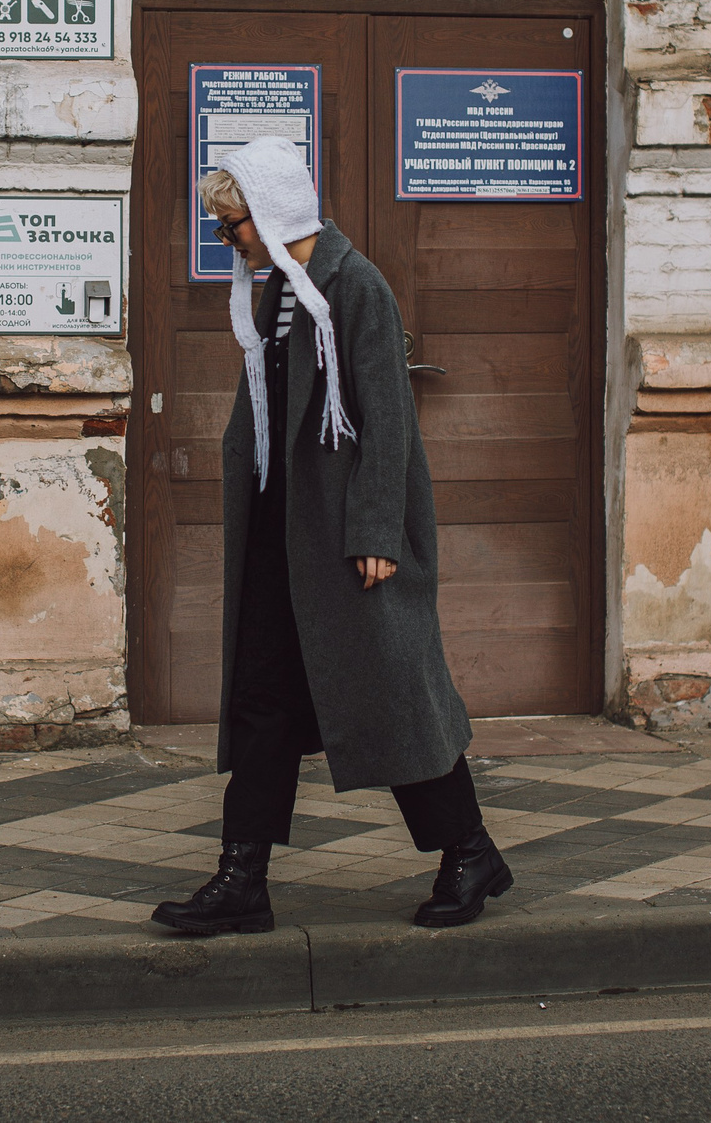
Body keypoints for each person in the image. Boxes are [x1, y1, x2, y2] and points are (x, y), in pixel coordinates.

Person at [151, 136, 512, 935]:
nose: (227, 240)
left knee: (391, 692)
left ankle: (469, 851)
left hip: (350, 538)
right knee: (261, 700)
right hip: (285, 534)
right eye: (222, 228)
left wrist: (378, 527)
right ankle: (242, 878)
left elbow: (389, 419)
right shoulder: (280, 288)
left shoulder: (356, 287)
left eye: (233, 225)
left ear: (275, 213)